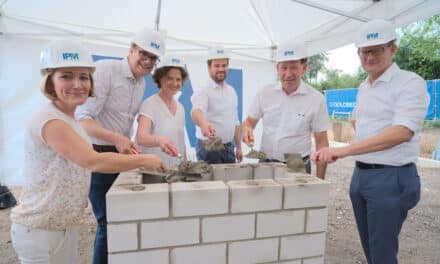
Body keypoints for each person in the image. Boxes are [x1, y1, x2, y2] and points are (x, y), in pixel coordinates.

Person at [10, 39, 165, 264]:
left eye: (83, 77)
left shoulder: (69, 117)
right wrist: (144, 160)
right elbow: (93, 161)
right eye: (66, 76)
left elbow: (72, 163)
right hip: (40, 228)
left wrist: (77, 192)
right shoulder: (51, 120)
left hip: (62, 225)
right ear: (49, 81)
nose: (77, 84)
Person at [312, 19, 430, 264]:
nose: (369, 57)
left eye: (376, 50)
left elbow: (402, 132)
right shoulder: (365, 86)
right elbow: (358, 122)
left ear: (392, 49)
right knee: (371, 249)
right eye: (364, 51)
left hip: (391, 176)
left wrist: (345, 151)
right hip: (362, 175)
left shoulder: (410, 83)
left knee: (382, 252)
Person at [75, 28, 165, 264]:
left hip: (120, 157)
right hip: (97, 154)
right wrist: (117, 139)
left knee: (121, 217)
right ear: (131, 49)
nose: (147, 61)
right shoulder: (107, 70)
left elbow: (123, 126)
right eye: (143, 53)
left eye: (153, 58)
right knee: (107, 220)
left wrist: (128, 142)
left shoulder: (142, 83)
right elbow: (83, 120)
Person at [241, 41, 330, 179]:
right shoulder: (265, 93)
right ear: (277, 68)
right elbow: (249, 122)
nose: (288, 74)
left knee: (297, 200)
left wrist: (319, 182)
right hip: (266, 161)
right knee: (263, 199)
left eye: (294, 68)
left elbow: (322, 142)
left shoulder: (316, 99)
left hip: (296, 164)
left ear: (304, 68)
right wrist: (247, 129)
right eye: (284, 68)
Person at [190, 47, 243, 164]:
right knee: (211, 182)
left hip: (229, 147)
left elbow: (235, 122)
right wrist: (203, 124)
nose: (221, 69)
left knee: (229, 181)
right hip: (209, 148)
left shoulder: (231, 91)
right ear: (209, 68)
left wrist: (239, 147)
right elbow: (196, 111)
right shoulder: (203, 89)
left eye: (224, 65)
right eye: (217, 66)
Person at [135, 55, 189, 168]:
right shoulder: (149, 104)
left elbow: (180, 141)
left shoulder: (181, 108)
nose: (175, 83)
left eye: (178, 79)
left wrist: (185, 163)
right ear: (160, 78)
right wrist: (160, 140)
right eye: (170, 78)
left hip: (175, 171)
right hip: (153, 170)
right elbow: (141, 137)